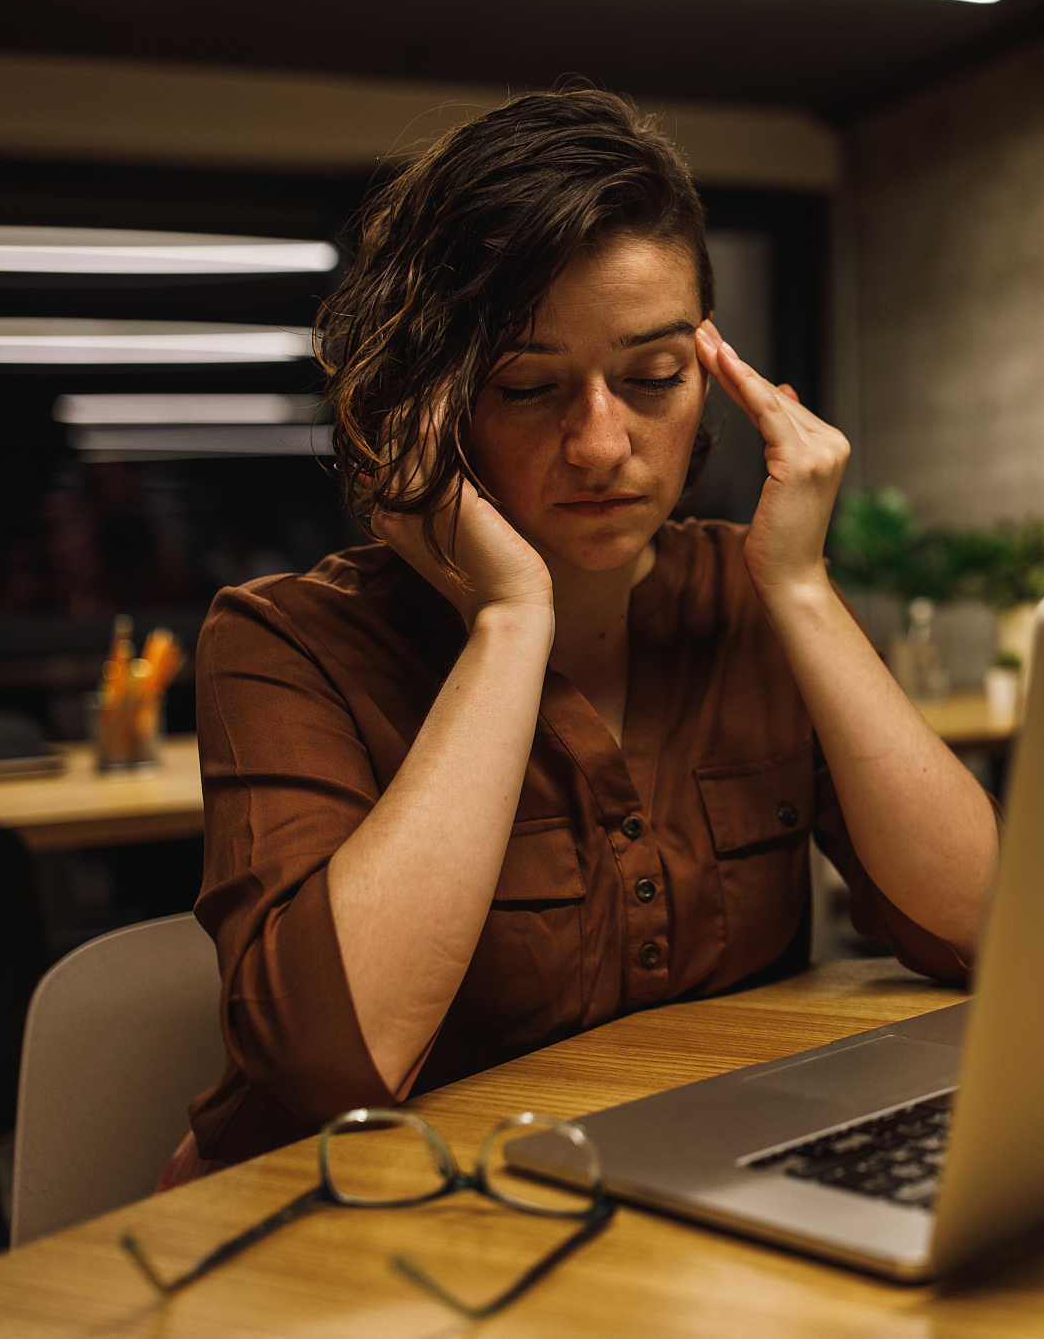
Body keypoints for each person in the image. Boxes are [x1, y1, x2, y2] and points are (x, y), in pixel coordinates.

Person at [165, 89, 999, 1182]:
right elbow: (335, 1069)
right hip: (353, 1235)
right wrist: (510, 621)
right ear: (432, 397)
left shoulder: (740, 596)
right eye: (526, 385)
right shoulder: (285, 640)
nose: (602, 443)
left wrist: (797, 587)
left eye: (653, 378)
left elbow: (980, 931)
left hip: (666, 1190)